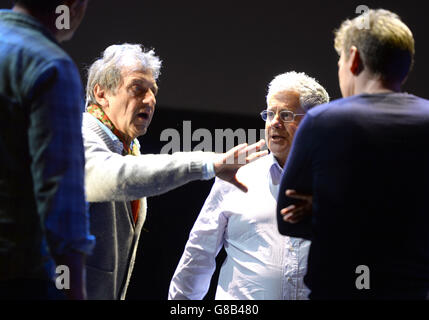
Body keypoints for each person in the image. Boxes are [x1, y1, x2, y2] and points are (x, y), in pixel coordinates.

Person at [82, 43, 267, 300]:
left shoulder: (126, 149)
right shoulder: (80, 135)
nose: (150, 100)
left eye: (153, 91)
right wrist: (207, 164)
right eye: (137, 88)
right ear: (101, 94)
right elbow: (117, 175)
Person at [277, 9, 429, 299]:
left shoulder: (323, 121)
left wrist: (326, 206)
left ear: (354, 59)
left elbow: (288, 218)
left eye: (340, 59)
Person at [168, 71, 329, 300]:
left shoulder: (338, 184)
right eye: (270, 114)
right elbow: (198, 254)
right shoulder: (237, 176)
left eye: (285, 114)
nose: (274, 122)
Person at [0, 0, 94, 300]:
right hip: (16, 274)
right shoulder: (50, 65)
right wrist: (74, 291)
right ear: (73, 5)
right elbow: (61, 197)